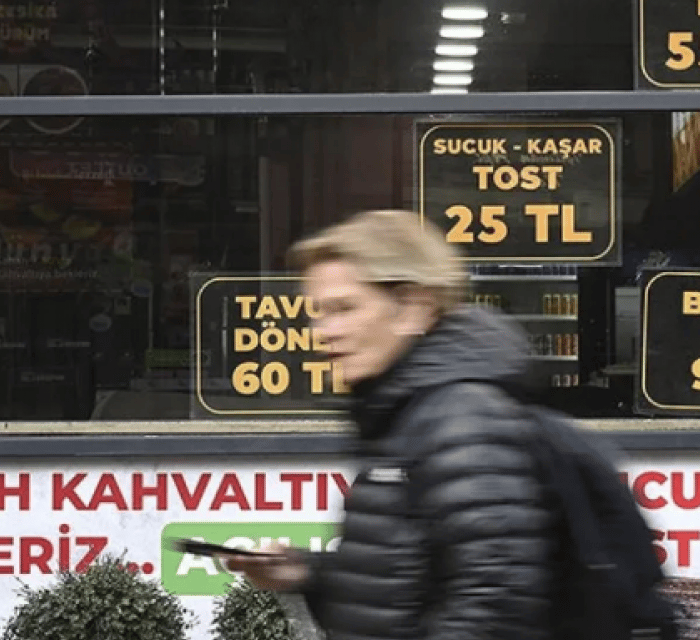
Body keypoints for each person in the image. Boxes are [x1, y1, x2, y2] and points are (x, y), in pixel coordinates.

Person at [224, 209, 562, 640]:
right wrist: (305, 572)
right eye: (318, 312)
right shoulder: (400, 412)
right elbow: (405, 586)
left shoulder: (463, 417)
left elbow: (498, 603)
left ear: (413, 309)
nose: (322, 331)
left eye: (343, 308)